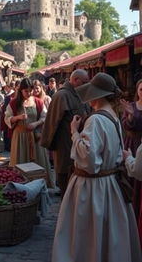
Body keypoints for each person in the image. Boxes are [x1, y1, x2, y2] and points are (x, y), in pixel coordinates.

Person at [51, 72, 141, 262]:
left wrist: (74, 132)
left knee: (88, 238)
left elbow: (89, 161)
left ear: (98, 95)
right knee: (107, 236)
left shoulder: (95, 120)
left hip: (93, 188)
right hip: (110, 186)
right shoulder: (113, 117)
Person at [41, 69, 91, 198]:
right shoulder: (61, 96)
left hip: (78, 147)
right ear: (75, 80)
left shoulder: (80, 94)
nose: (87, 84)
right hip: (65, 148)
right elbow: (51, 123)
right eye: (84, 82)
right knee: (67, 186)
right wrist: (50, 146)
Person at [4, 77, 54, 187]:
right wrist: (18, 117)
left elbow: (45, 117)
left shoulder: (38, 102)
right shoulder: (13, 103)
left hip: (35, 136)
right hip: (20, 137)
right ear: (21, 90)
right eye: (26, 91)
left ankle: (39, 186)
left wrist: (35, 124)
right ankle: (19, 187)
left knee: (38, 161)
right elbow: (7, 118)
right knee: (20, 161)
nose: (29, 93)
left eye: (30, 90)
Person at [121, 79, 142, 224]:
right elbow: (125, 125)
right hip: (131, 144)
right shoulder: (132, 106)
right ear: (137, 91)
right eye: (141, 89)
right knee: (130, 178)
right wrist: (129, 116)